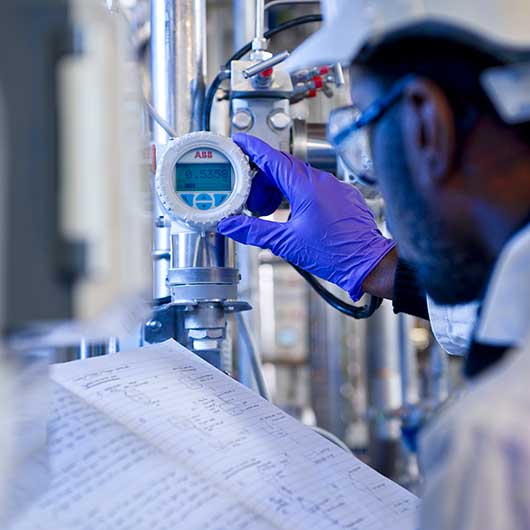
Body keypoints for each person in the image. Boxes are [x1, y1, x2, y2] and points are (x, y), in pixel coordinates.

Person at [218, 0, 530, 528]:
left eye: (358, 134)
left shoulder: (500, 442)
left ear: (426, 124)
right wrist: (380, 267)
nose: (372, 179)